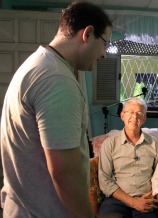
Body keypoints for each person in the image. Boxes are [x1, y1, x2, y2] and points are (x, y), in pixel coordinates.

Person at [0, 1, 112, 217]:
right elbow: (64, 173)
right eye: (105, 43)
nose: (105, 54)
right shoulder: (56, 80)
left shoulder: (36, 64)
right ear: (87, 34)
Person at [98, 97, 158, 218]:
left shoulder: (154, 144)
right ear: (122, 115)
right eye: (130, 112)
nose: (135, 116)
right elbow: (105, 180)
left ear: (144, 119)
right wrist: (133, 202)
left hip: (146, 200)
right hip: (116, 200)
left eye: (139, 113)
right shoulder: (110, 144)